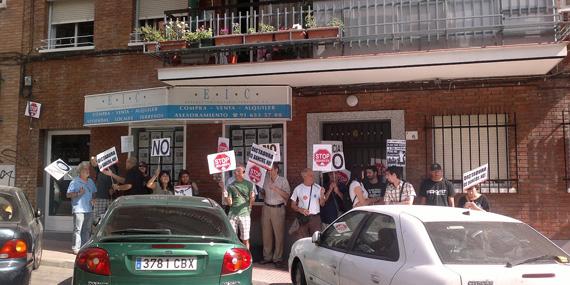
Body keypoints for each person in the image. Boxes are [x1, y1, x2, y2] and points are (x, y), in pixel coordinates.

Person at [260, 163, 291, 267]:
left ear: (276, 170)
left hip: (278, 208)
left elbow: (287, 195)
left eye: (271, 169)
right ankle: (267, 257)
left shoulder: (283, 180)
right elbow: (263, 194)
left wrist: (275, 188)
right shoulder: (265, 180)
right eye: (268, 170)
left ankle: (277, 258)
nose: (269, 171)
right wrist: (262, 192)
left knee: (279, 235)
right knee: (266, 234)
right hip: (266, 208)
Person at [66, 161, 96, 254]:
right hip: (78, 209)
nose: (88, 171)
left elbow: (94, 192)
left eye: (88, 169)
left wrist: (93, 199)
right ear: (80, 171)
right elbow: (68, 195)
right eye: (85, 169)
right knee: (78, 229)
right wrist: (78, 193)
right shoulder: (74, 182)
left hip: (89, 209)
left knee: (87, 229)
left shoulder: (90, 181)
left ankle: (85, 247)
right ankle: (76, 248)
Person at [224, 165, 256, 249]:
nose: (236, 173)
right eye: (235, 171)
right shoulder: (231, 185)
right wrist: (225, 195)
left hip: (245, 214)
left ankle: (247, 259)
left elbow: (252, 201)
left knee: (245, 239)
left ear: (243, 173)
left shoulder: (249, 184)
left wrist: (252, 198)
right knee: (232, 239)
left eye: (238, 171)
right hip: (232, 214)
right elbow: (230, 203)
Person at [290, 168, 326, 239]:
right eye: (311, 175)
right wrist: (300, 210)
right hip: (303, 219)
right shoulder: (298, 188)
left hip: (316, 219)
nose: (313, 177)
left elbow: (322, 204)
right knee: (303, 240)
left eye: (313, 175)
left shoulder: (318, 187)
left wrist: (322, 195)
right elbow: (292, 205)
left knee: (316, 241)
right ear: (304, 176)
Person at [89, 157, 117, 222]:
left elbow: (115, 181)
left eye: (96, 161)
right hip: (99, 197)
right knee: (97, 218)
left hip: (109, 198)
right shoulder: (99, 169)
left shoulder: (112, 169)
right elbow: (94, 164)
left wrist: (112, 189)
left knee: (109, 219)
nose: (95, 162)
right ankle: (97, 231)